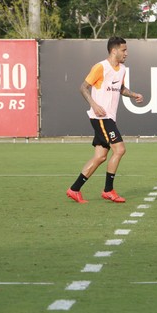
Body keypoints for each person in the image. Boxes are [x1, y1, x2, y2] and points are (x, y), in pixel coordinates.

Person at [66, 37, 144, 204]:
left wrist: (134, 94)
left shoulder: (122, 69)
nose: (126, 53)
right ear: (114, 50)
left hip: (109, 118)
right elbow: (83, 87)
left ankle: (74, 189)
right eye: (124, 50)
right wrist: (93, 104)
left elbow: (120, 88)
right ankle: (108, 190)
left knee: (100, 157)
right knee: (120, 150)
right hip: (101, 117)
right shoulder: (101, 67)